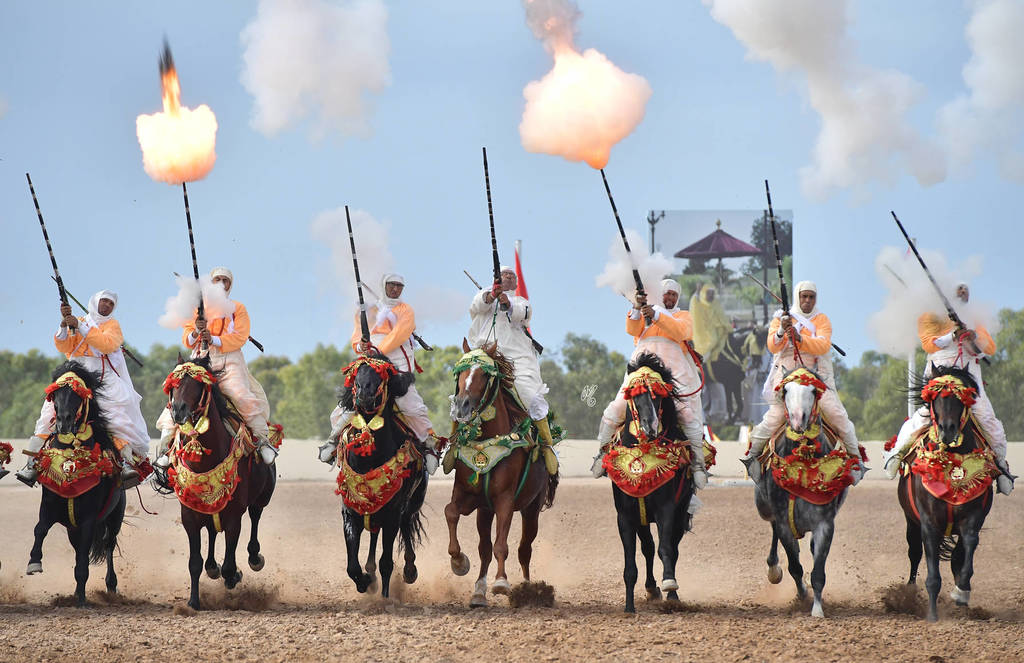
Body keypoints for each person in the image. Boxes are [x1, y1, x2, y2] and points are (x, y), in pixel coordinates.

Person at [883, 283, 1014, 494]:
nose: (962, 293)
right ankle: (897, 454)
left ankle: (1001, 466)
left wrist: (973, 336)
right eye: (958, 289)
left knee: (987, 418)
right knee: (925, 415)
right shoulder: (929, 316)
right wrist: (954, 334)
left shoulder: (974, 319)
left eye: (965, 290)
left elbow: (988, 349)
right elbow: (929, 344)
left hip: (970, 377)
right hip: (939, 374)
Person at [17, 291, 148, 487]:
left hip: (103, 377)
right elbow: (64, 346)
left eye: (110, 303)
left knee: (116, 416)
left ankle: (125, 462)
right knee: (50, 411)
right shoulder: (77, 321)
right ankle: (32, 462)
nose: (106, 305)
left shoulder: (112, 325)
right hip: (76, 373)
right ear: (95, 302)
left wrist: (81, 327)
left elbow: (106, 344)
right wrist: (64, 324)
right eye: (103, 301)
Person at [740, 281, 863, 481]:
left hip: (816, 377)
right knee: (774, 418)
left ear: (815, 299)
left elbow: (823, 346)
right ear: (798, 297)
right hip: (786, 377)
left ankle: (856, 461)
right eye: (803, 296)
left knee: (836, 414)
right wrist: (781, 330)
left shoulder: (822, 319)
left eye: (811, 297)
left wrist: (800, 338)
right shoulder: (781, 317)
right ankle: (752, 457)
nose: (807, 300)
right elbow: (772, 346)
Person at [319, 273, 441, 473]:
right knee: (350, 402)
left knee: (410, 404)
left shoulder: (405, 310)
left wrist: (379, 351)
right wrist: (361, 345)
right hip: (369, 360)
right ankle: (333, 442)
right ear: (384, 285)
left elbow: (400, 333)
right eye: (391, 285)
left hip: (397, 362)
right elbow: (357, 334)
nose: (395, 289)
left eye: (399, 286)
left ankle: (428, 445)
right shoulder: (369, 309)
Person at [155, 267, 277, 467]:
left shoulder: (238, 308)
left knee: (240, 396)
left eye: (225, 280)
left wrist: (214, 338)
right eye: (217, 279)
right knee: (178, 400)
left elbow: (240, 336)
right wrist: (196, 330)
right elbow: (187, 339)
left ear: (230, 285)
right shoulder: (198, 310)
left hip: (230, 360)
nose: (221, 283)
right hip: (200, 361)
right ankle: (164, 449)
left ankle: (263, 442)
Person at [593, 279, 708, 489]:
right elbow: (632, 329)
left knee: (687, 414)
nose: (670, 298)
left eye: (674, 294)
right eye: (666, 294)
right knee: (616, 408)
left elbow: (680, 332)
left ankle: (698, 464)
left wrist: (655, 314)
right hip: (641, 365)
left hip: (674, 368)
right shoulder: (647, 311)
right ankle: (601, 453)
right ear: (659, 294)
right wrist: (637, 307)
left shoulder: (683, 316)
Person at [466, 266, 558, 475]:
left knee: (533, 398)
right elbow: (476, 306)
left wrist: (505, 301)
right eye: (504, 275)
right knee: (464, 389)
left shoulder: (521, 303)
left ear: (516, 283)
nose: (508, 277)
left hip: (517, 360)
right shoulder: (484, 296)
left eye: (512, 276)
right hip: (484, 354)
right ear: (496, 279)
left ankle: (546, 445)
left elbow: (520, 314)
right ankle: (454, 444)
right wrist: (492, 295)